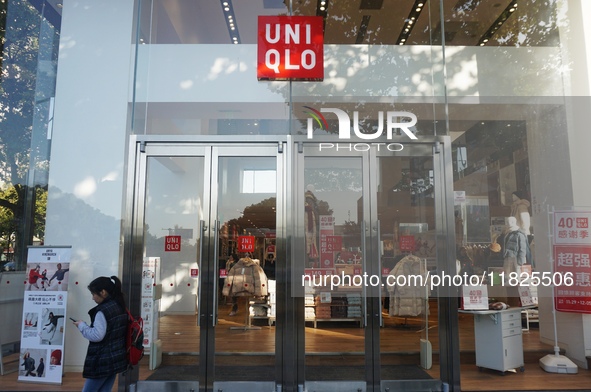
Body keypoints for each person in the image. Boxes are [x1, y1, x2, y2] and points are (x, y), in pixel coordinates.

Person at [72, 276, 128, 392]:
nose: (92, 298)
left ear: (103, 292)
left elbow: (97, 336)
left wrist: (82, 326)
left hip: (102, 361)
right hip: (115, 359)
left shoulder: (102, 311)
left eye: (93, 294)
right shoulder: (119, 305)